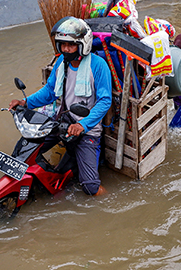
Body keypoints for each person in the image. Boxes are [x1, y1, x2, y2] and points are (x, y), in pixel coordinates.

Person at [9, 16, 112, 196]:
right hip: (60, 122)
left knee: (90, 188)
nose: (65, 49)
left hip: (86, 130)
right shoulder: (60, 62)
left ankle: (108, 198)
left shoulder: (98, 66)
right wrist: (25, 102)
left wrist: (82, 125)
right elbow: (49, 91)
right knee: (22, 152)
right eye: (62, 44)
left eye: (70, 45)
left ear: (83, 44)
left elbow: (105, 101)